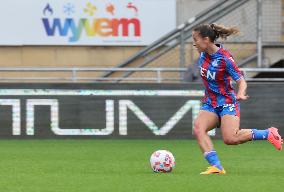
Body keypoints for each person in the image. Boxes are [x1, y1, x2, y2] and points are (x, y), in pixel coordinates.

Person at [192, 23, 283, 175]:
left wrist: (240, 93)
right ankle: (217, 167)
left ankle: (268, 133)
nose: (194, 43)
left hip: (227, 103)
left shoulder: (225, 58)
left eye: (195, 39)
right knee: (198, 128)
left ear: (206, 40)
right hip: (210, 103)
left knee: (231, 139)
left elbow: (241, 80)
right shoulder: (203, 55)